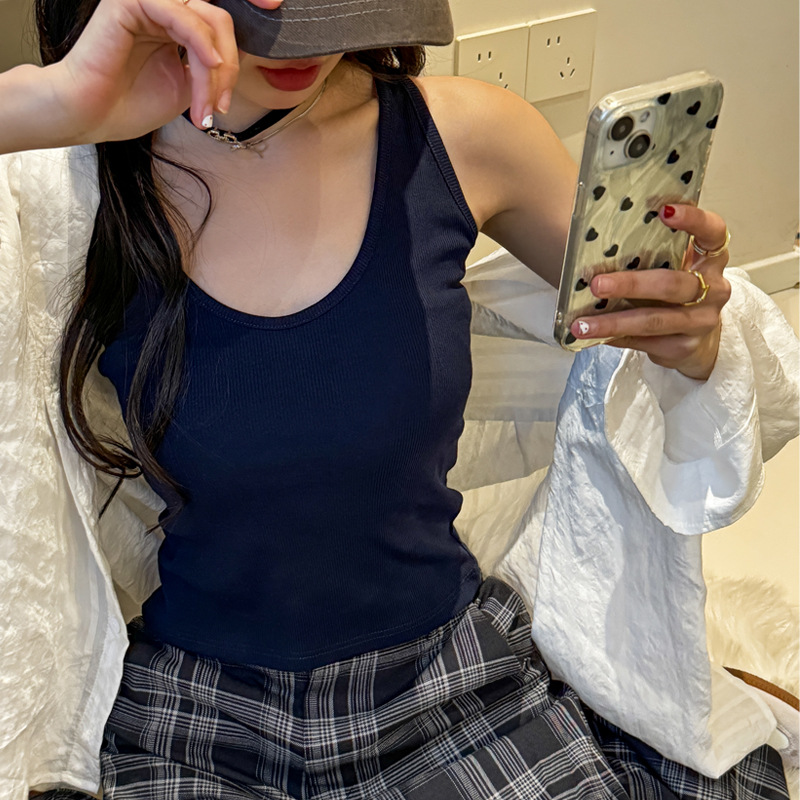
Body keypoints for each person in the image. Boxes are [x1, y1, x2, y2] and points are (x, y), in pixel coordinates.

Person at [0, 0, 795, 797]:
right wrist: (49, 104)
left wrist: (694, 336)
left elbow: (655, 320)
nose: (300, 36)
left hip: (443, 684)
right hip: (200, 716)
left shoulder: (464, 136)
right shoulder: (71, 177)